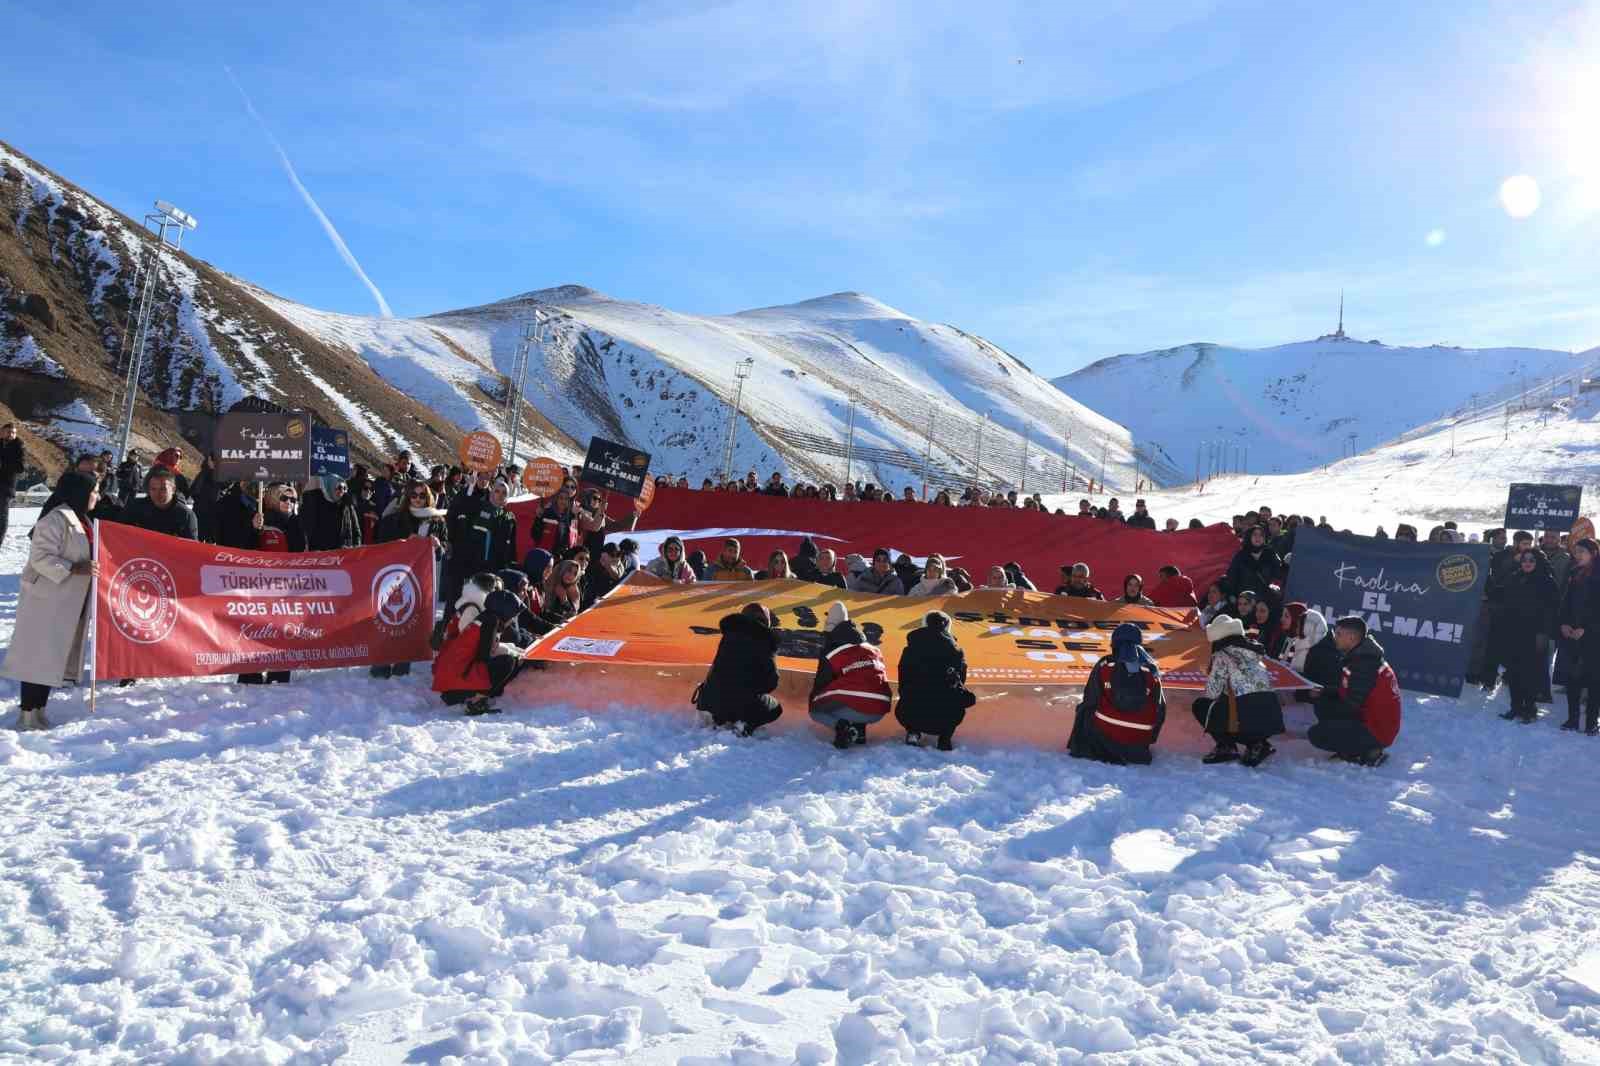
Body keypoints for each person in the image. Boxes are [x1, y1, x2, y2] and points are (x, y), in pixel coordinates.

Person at [2, 472, 96, 729]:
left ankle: (40, 709)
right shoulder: (54, 520)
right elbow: (41, 558)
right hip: (46, 599)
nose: (97, 496)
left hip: (66, 601)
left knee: (51, 658)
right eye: (94, 491)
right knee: (37, 658)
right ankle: (27, 712)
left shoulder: (82, 519)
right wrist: (74, 568)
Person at [1067, 622, 1166, 765]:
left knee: (1084, 709)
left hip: (1105, 740)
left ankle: (1083, 748)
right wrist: (1148, 739)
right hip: (1138, 743)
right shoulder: (1151, 669)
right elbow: (1161, 709)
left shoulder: (1105, 664)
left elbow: (1090, 699)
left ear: (1114, 643)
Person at [1191, 615, 1284, 766]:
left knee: (1201, 705)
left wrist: (1209, 674)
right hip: (1271, 719)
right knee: (1240, 705)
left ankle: (1226, 746)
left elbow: (1211, 693)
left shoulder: (1222, 655)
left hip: (1246, 720)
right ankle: (1258, 744)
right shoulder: (1254, 654)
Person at [1308, 617, 1401, 766]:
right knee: (1323, 703)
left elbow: (1352, 705)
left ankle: (1370, 750)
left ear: (1351, 637)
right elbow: (1349, 691)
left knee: (1317, 734)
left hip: (1377, 731)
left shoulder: (1365, 664)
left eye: (1338, 634)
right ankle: (1353, 745)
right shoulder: (1362, 656)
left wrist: (1330, 721)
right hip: (1373, 721)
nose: (1334, 637)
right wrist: (1325, 691)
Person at [809, 601, 892, 748]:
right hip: (881, 707)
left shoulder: (832, 652)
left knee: (816, 709)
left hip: (855, 704)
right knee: (859, 687)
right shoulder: (873, 649)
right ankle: (859, 730)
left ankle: (844, 728)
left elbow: (821, 683)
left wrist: (813, 701)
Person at [693, 602, 783, 736]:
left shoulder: (729, 635)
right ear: (767, 621)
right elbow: (771, 682)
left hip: (708, 699)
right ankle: (745, 725)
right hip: (739, 703)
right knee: (776, 709)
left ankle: (719, 719)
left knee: (726, 693)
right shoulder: (766, 640)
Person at [432, 589, 528, 715]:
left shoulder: (487, 618)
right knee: (507, 662)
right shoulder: (490, 622)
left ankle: (480, 695)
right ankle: (476, 702)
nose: (513, 619)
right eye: (512, 614)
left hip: (450, 683)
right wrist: (513, 657)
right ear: (504, 611)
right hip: (456, 684)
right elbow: (484, 656)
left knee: (509, 660)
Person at [895, 610, 975, 749]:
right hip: (945, 717)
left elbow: (903, 679)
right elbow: (961, 682)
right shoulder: (957, 652)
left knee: (909, 696)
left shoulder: (911, 649)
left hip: (911, 712)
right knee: (956, 699)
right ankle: (945, 738)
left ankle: (913, 732)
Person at [1495, 548, 1558, 723]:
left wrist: (1544, 633)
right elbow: (1505, 602)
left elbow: (1551, 610)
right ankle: (1515, 707)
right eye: (1524, 560)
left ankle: (1529, 709)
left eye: (1531, 560)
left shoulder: (1547, 581)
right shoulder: (1515, 577)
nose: (1527, 563)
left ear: (1538, 562)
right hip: (1514, 632)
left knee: (1530, 673)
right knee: (1513, 672)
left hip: (1535, 634)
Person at [1559, 536, 1600, 734]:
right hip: (1573, 635)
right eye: (1576, 552)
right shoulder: (1574, 573)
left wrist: (1587, 627)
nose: (1577, 555)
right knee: (1572, 679)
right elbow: (1566, 603)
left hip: (1594, 636)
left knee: (1594, 681)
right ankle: (1573, 719)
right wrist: (1564, 623)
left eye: (1581, 552)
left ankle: (1592, 721)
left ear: (1593, 554)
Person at [115, 465, 199, 540]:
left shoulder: (186, 516)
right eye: (153, 489)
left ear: (173, 489)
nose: (157, 494)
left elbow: (191, 549)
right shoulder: (135, 507)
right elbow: (118, 533)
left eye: (163, 489)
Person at [1283, 606, 1339, 702]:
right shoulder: (1299, 643)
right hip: (1295, 697)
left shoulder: (1323, 650)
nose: (1297, 629)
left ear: (1309, 627)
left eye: (1299, 626)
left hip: (1309, 705)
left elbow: (1316, 682)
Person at [298, 476, 360, 550]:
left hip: (344, 552)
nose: (342, 491)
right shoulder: (317, 503)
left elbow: (356, 529)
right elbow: (308, 528)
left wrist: (356, 546)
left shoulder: (347, 504)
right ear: (330, 486)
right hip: (323, 554)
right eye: (339, 487)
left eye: (345, 488)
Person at [1223, 525, 1283, 597]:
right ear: (1249, 537)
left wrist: (1275, 585)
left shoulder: (1270, 553)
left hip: (1266, 599)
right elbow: (1232, 578)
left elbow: (1278, 574)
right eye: (1255, 534)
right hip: (1246, 599)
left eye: (1261, 535)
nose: (1258, 537)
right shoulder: (1240, 555)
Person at [0, 422, 22, 544]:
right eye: (9, 432)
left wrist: (4, 462)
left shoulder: (17, 447)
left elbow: (20, 468)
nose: (11, 435)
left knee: (1, 518)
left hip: (5, 488)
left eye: (13, 432)